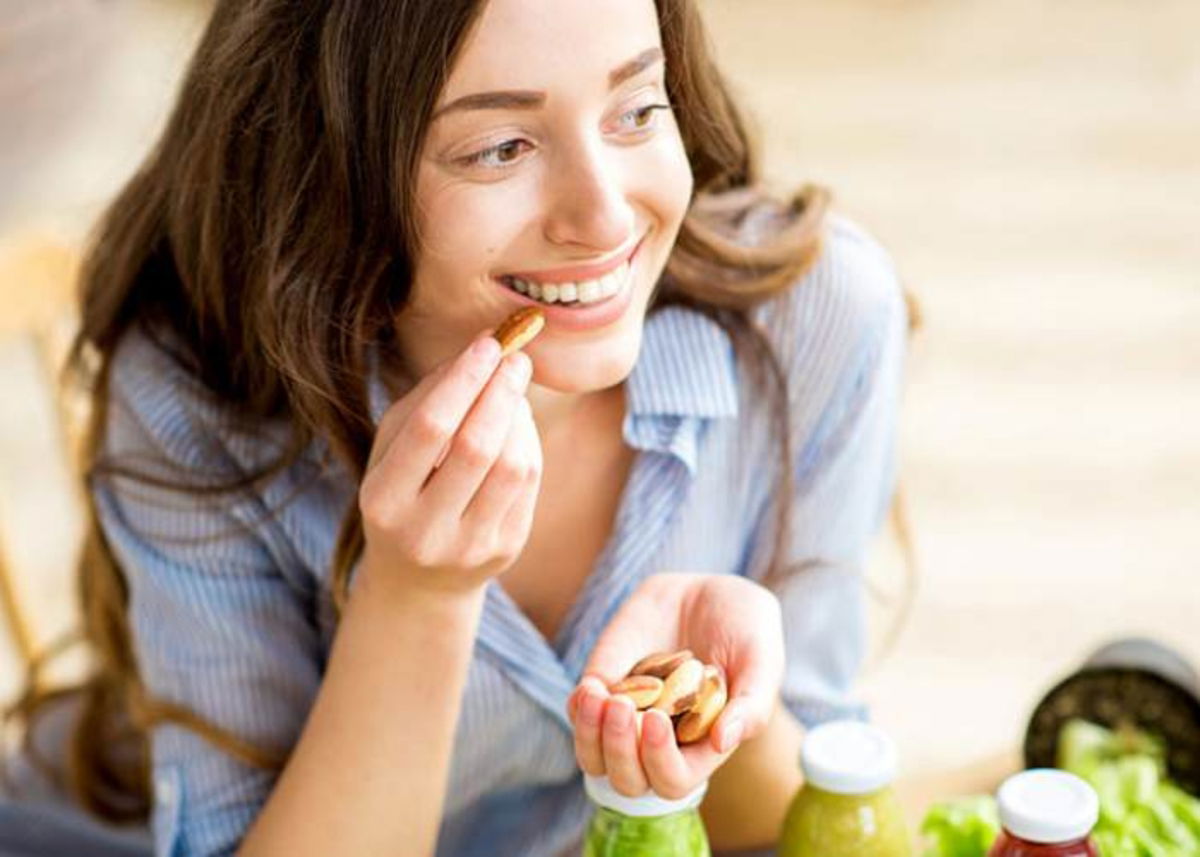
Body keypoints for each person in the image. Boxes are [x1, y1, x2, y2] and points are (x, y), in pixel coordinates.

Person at [4, 0, 910, 855]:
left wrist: (706, 703)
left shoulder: (817, 320)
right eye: (500, 147)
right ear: (328, 171)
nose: (603, 218)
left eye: (636, 109)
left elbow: (792, 819)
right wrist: (415, 595)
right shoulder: (195, 403)